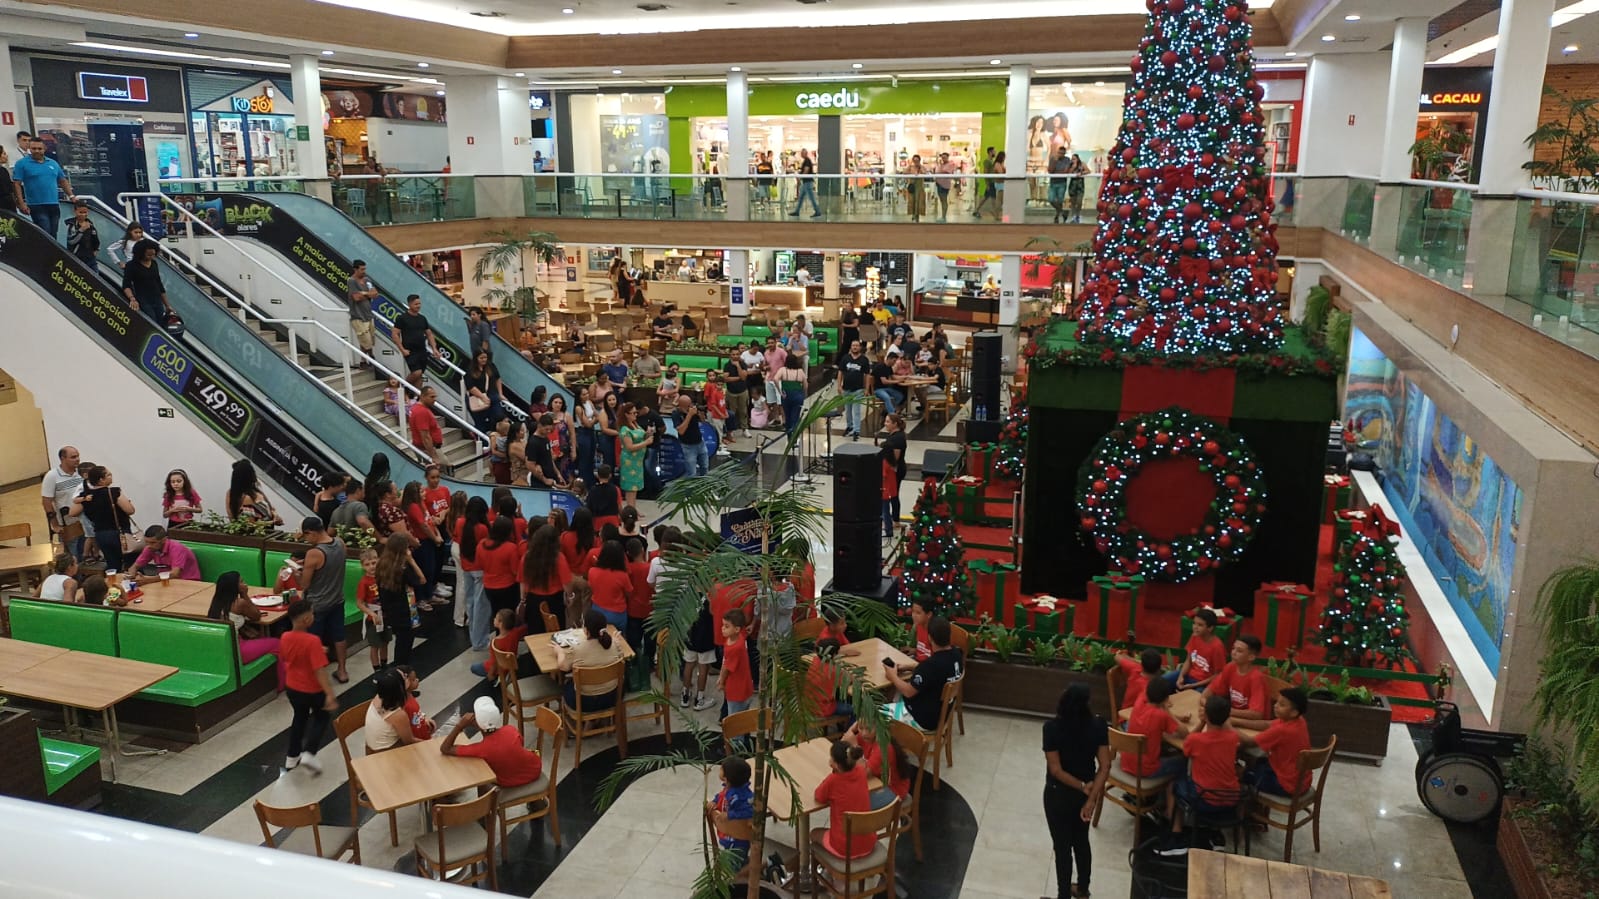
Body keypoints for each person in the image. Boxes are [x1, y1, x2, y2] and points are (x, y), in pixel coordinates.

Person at [1042, 683, 1111, 899]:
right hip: (1084, 796)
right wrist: (1090, 798)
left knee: (1062, 848)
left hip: (1058, 795)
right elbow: (1105, 766)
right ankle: (1082, 889)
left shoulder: (1051, 728)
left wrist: (1081, 785)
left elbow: (1055, 769)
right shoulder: (1098, 725)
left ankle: (1063, 895)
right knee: (1081, 841)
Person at [1164, 694, 1242, 845]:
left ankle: (1176, 830)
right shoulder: (1233, 738)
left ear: (1205, 715)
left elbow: (1187, 747)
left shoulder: (1196, 740)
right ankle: (1219, 831)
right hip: (1231, 798)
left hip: (1204, 800)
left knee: (1173, 784)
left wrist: (1201, 723)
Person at [280, 599, 338, 773]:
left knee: (299, 718)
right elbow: (319, 670)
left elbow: (289, 656)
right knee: (322, 717)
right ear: (306, 619)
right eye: (312, 613)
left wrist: (318, 650)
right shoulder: (312, 641)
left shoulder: (285, 637)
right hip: (312, 689)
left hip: (292, 687)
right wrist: (329, 693)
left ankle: (292, 757)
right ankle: (309, 753)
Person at [441, 697, 543, 789]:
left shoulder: (481, 749)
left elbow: (445, 748)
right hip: (535, 768)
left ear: (477, 723)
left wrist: (459, 726)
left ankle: (488, 806)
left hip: (508, 782)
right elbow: (519, 746)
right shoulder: (510, 730)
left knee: (482, 776)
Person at [207, 571, 283, 692]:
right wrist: (244, 594)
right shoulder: (239, 603)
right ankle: (281, 685)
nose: (245, 584)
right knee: (278, 644)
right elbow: (256, 615)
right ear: (234, 587)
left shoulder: (216, 602)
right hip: (237, 649)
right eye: (241, 582)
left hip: (221, 649)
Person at [884, 616, 963, 731]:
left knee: (874, 712)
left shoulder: (930, 665)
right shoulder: (956, 655)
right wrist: (910, 667)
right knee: (896, 691)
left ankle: (893, 742)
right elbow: (934, 672)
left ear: (930, 638)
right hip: (940, 713)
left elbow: (908, 692)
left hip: (923, 719)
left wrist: (893, 676)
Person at [297, 516, 351, 684]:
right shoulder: (340, 543)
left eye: (306, 537)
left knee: (314, 641)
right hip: (337, 599)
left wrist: (297, 572)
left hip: (317, 605)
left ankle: (315, 676)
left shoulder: (314, 553)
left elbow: (304, 584)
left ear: (311, 533)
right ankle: (342, 670)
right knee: (339, 636)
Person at [1237, 686, 1312, 797]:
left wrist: (1227, 725)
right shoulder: (1299, 721)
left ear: (1294, 712)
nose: (1275, 706)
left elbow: (1250, 742)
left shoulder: (1284, 730)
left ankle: (1243, 806)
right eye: (1277, 702)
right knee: (1254, 759)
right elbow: (1267, 724)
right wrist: (1236, 721)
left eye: (1281, 705)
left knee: (1236, 771)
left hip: (1285, 785)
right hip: (1300, 781)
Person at [810, 740, 877, 860]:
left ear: (836, 765)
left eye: (831, 759)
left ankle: (828, 870)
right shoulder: (861, 772)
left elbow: (819, 796)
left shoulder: (833, 780)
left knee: (814, 833)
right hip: (868, 842)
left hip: (844, 847)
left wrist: (832, 775)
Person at [1122, 677, 1191, 781]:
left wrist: (1175, 715)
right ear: (1166, 699)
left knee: (1166, 748)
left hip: (1126, 761)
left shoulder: (1139, 702)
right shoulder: (1161, 715)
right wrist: (1168, 711)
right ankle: (1172, 795)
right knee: (1185, 761)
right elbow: (1185, 733)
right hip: (1146, 769)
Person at [556, 609, 626, 710]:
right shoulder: (614, 645)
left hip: (585, 701)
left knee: (566, 685)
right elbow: (621, 656)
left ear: (586, 630)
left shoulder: (577, 649)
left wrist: (559, 652)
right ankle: (597, 721)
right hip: (611, 697)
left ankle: (587, 722)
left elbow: (563, 667)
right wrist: (616, 642)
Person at [69, 464, 135, 569]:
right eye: (108, 475)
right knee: (130, 562)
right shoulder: (114, 492)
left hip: (101, 534)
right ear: (101, 480)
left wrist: (85, 500)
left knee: (112, 564)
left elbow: (72, 512)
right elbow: (130, 510)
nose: (111, 476)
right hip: (119, 532)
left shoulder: (87, 496)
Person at [374, 532, 423, 667]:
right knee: (404, 647)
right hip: (406, 611)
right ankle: (401, 674)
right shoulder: (403, 569)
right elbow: (421, 580)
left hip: (390, 611)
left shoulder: (381, 565)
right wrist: (411, 560)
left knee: (400, 643)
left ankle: (400, 671)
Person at [1206, 634, 1270, 731]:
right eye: (1233, 649)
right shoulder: (1230, 667)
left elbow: (1256, 714)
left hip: (1252, 726)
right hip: (1232, 718)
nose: (1233, 653)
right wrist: (1206, 701)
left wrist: (1225, 712)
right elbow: (1211, 690)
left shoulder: (1256, 678)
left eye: (1239, 651)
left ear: (1251, 657)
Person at [13, 136, 73, 237]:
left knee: (53, 234)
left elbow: (62, 180)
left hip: (54, 203)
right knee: (45, 233)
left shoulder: (53, 163)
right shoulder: (21, 164)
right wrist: (21, 203)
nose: (36, 151)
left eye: (39, 148)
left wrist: (71, 196)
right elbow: (16, 184)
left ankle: (52, 253)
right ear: (30, 149)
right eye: (34, 148)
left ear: (44, 149)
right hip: (36, 205)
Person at [709, 756, 757, 872]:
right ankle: (743, 865)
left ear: (726, 778)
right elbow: (721, 795)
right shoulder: (729, 788)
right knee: (734, 860)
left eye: (721, 768)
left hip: (739, 839)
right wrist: (715, 801)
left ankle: (738, 880)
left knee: (735, 866)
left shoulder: (743, 796)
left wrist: (730, 814)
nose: (719, 769)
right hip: (729, 835)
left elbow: (750, 811)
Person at [456, 496, 493, 650]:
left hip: (466, 566)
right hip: (480, 568)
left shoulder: (460, 523)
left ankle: (474, 636)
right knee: (481, 606)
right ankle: (479, 641)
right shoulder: (483, 528)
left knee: (471, 603)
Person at [522, 524, 570, 631]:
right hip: (554, 600)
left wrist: (523, 599)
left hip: (533, 599)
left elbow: (522, 580)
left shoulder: (527, 556)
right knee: (556, 630)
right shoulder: (559, 558)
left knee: (534, 631)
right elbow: (566, 583)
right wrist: (568, 597)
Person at [365, 668, 426, 752]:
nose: (406, 676)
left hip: (372, 746)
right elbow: (409, 741)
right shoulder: (398, 715)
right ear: (399, 688)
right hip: (385, 752)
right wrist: (430, 743)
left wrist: (423, 718)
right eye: (404, 677)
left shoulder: (380, 696)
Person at [41, 446, 85, 559]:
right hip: (68, 525)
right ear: (62, 458)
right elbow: (46, 501)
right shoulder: (52, 476)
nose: (77, 459)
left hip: (86, 522)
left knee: (88, 555)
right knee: (73, 556)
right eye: (73, 457)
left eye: (78, 456)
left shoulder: (81, 473)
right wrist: (54, 524)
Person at [1169, 607, 1227, 691]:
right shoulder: (1194, 636)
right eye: (1194, 623)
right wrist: (1181, 676)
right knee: (1163, 681)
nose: (1195, 627)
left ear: (1210, 628)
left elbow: (1218, 674)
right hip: (1189, 675)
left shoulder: (1217, 647)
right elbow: (1189, 660)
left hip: (1203, 683)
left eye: (1200, 625)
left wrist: (1193, 685)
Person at [478, 516, 523, 622]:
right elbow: (515, 571)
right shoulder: (510, 548)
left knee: (497, 615)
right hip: (507, 588)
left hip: (488, 587)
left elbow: (480, 565)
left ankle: (499, 635)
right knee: (508, 618)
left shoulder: (481, 544)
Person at [390, 294, 438, 388]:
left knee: (420, 376)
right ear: (410, 304)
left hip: (422, 350)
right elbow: (395, 334)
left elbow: (429, 334)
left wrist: (434, 349)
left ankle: (416, 397)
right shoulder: (402, 318)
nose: (418, 306)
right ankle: (402, 387)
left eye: (419, 304)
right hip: (410, 351)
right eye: (416, 304)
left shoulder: (422, 318)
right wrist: (402, 349)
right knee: (416, 372)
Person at [121, 239, 171, 324]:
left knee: (161, 322)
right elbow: (126, 285)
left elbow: (159, 284)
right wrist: (132, 298)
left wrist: (167, 305)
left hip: (157, 299)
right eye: (148, 255)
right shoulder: (131, 266)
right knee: (151, 321)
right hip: (143, 300)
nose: (151, 257)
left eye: (153, 255)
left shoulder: (154, 264)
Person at [587, 539, 632, 631]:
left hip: (597, 612)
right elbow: (629, 594)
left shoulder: (592, 571)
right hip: (617, 615)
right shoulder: (623, 576)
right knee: (619, 640)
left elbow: (592, 588)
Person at [130, 525, 201, 583]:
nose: (148, 546)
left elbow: (175, 574)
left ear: (164, 540)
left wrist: (148, 580)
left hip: (187, 581)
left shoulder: (176, 548)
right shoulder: (150, 548)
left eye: (153, 542)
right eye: (146, 542)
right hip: (166, 581)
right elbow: (135, 566)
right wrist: (131, 576)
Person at [473, 607, 528, 681]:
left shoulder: (495, 642)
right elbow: (525, 627)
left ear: (501, 624)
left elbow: (494, 662)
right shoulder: (515, 633)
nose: (494, 619)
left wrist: (491, 674)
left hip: (499, 670)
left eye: (496, 618)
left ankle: (497, 678)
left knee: (474, 667)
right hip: (511, 665)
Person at [718, 608, 755, 716]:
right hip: (743, 686)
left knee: (735, 721)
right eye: (723, 625)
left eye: (727, 626)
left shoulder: (735, 647)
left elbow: (727, 668)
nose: (722, 629)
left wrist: (721, 681)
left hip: (737, 691)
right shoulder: (736, 639)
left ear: (737, 629)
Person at [355, 547, 387, 670]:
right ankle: (376, 669)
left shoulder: (383, 577)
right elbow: (359, 603)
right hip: (372, 617)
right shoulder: (364, 582)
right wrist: (372, 614)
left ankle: (385, 665)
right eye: (367, 564)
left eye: (373, 563)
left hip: (385, 614)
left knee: (385, 642)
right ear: (362, 566)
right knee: (375, 645)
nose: (371, 567)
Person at [226, 459, 281, 525]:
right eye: (253, 472)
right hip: (259, 533)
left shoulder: (256, 489)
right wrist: (273, 522)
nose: (255, 475)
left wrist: (275, 515)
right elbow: (250, 524)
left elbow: (270, 507)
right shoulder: (246, 498)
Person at [617, 403, 651, 505]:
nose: (636, 415)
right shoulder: (625, 429)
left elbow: (640, 437)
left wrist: (647, 434)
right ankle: (630, 507)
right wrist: (646, 443)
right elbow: (630, 447)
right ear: (626, 414)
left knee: (635, 486)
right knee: (630, 486)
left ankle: (633, 506)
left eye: (636, 412)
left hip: (638, 461)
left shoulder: (636, 424)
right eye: (633, 413)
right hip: (629, 460)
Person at [463, 350, 505, 434]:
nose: (484, 360)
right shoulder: (470, 370)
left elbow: (497, 378)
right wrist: (482, 397)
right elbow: (471, 387)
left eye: (485, 357)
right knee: (480, 423)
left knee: (499, 416)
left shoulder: (491, 366)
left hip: (492, 396)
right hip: (477, 399)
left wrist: (500, 393)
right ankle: (483, 442)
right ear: (476, 358)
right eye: (481, 358)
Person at [879, 413, 907, 539]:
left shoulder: (898, 438)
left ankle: (894, 521)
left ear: (895, 424)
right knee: (893, 496)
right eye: (885, 421)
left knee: (893, 496)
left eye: (888, 422)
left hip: (895, 470)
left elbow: (894, 458)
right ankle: (892, 520)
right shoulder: (894, 435)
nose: (885, 424)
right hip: (893, 469)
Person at [836, 340, 869, 440]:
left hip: (858, 389)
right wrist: (839, 386)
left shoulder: (864, 360)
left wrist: (866, 388)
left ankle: (856, 431)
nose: (855, 347)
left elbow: (867, 375)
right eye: (853, 345)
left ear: (860, 347)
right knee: (848, 410)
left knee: (857, 411)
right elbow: (840, 372)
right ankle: (849, 426)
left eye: (857, 345)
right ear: (850, 347)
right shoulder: (845, 358)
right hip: (846, 388)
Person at [1114, 647, 1165, 712]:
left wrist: (1135, 660)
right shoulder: (1150, 689)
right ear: (1158, 670)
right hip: (1128, 718)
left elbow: (1117, 656)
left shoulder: (1136, 668)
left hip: (1126, 712)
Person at [346, 259, 378, 360]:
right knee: (366, 340)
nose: (364, 271)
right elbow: (356, 298)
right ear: (355, 269)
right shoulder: (351, 281)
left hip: (368, 314)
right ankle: (371, 358)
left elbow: (375, 294)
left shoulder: (367, 280)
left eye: (364, 269)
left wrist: (364, 294)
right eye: (361, 269)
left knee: (368, 340)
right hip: (358, 316)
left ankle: (363, 360)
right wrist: (369, 295)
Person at [408, 385, 447, 468]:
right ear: (422, 396)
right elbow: (425, 437)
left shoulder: (417, 408)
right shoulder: (421, 411)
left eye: (435, 396)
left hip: (427, 447)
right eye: (431, 397)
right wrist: (434, 456)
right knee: (444, 470)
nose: (434, 399)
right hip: (426, 449)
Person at [673, 394, 710, 478]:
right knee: (691, 473)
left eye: (690, 404)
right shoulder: (676, 414)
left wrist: (701, 414)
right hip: (687, 446)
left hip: (700, 442)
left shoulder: (693, 409)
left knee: (705, 467)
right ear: (681, 406)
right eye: (687, 406)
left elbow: (703, 421)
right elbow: (681, 431)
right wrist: (689, 415)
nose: (690, 407)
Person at [777, 351, 807, 438]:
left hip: (786, 394)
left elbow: (775, 379)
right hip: (797, 395)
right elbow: (805, 385)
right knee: (795, 416)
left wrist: (780, 391)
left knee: (787, 416)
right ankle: (795, 436)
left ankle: (789, 435)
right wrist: (803, 394)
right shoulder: (800, 371)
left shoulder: (782, 370)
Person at [722, 353, 749, 442]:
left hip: (742, 391)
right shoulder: (727, 365)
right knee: (732, 413)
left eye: (737, 354)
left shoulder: (743, 364)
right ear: (730, 356)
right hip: (731, 392)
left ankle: (745, 429)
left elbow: (744, 377)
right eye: (733, 354)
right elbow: (725, 379)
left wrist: (738, 366)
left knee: (743, 411)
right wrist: (738, 378)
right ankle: (731, 431)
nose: (735, 356)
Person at [65, 201, 99, 266]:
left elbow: (95, 239)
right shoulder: (72, 225)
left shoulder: (90, 225)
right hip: (77, 258)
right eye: (80, 212)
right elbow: (71, 241)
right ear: (75, 212)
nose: (83, 214)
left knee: (94, 274)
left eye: (85, 212)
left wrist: (96, 249)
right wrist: (81, 230)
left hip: (90, 258)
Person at [870, 349, 903, 418]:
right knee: (887, 398)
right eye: (894, 361)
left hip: (886, 388)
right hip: (877, 389)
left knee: (900, 396)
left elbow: (893, 376)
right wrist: (897, 381)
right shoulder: (880, 367)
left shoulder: (889, 367)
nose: (895, 363)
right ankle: (892, 415)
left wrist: (903, 378)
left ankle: (888, 409)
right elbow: (884, 381)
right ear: (889, 359)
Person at [790, 148, 820, 218]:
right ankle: (797, 211)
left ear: (805, 153)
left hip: (808, 182)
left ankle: (817, 211)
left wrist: (800, 177)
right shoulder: (806, 161)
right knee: (801, 197)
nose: (801, 154)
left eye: (802, 153)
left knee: (811, 197)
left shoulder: (807, 161)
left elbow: (806, 170)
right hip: (806, 182)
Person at [703, 370, 729, 453]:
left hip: (721, 415)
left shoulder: (722, 392)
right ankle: (718, 446)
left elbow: (723, 404)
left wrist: (725, 413)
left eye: (721, 385)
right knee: (717, 430)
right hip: (715, 414)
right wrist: (720, 413)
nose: (720, 386)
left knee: (720, 430)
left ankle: (720, 444)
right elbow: (713, 404)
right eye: (718, 384)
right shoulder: (714, 393)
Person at [934, 151, 959, 221]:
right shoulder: (941, 164)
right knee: (941, 200)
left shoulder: (951, 164)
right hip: (939, 184)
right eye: (942, 158)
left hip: (945, 185)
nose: (943, 159)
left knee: (944, 200)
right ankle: (942, 215)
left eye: (944, 158)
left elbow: (946, 172)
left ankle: (943, 216)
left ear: (947, 157)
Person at [1066, 153, 1090, 224]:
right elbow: (1068, 173)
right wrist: (1073, 167)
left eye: (1074, 159)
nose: (1073, 160)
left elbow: (1088, 171)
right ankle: (1073, 216)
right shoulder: (1070, 165)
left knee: (1079, 201)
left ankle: (1078, 214)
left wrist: (1081, 173)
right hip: (1073, 185)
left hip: (1080, 185)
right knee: (1073, 202)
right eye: (1072, 159)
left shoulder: (1082, 164)